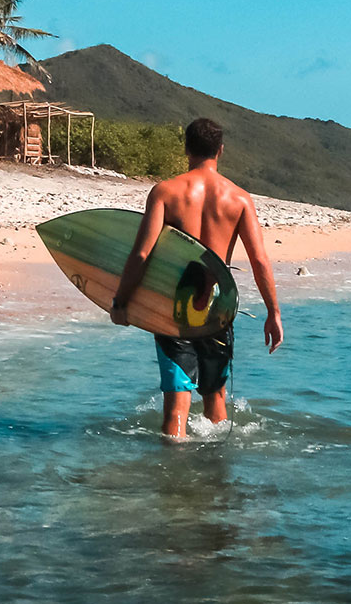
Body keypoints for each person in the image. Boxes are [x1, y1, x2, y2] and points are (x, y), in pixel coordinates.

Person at [110, 117, 283, 442]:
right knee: (216, 403)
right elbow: (259, 260)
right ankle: (214, 481)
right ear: (220, 150)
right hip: (217, 307)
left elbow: (142, 255)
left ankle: (174, 481)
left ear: (186, 148)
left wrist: (122, 300)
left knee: (176, 409)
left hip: (174, 307)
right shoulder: (240, 199)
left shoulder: (166, 192)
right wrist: (273, 313)